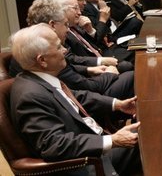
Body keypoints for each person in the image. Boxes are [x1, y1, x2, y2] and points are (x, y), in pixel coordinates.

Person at [9, 24, 142, 175]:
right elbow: (55, 144)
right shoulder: (30, 96)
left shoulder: (39, 78)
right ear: (42, 60)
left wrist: (117, 105)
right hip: (85, 164)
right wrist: (113, 140)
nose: (65, 50)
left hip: (92, 145)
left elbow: (77, 97)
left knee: (147, 132)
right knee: (149, 141)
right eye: (59, 47)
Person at [9, 0, 135, 101]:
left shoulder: (39, 43)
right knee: (130, 75)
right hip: (74, 101)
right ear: (52, 24)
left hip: (74, 92)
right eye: (65, 25)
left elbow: (71, 68)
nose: (68, 30)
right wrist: (109, 74)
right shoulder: (45, 50)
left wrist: (90, 69)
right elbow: (82, 87)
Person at [52, 0, 135, 66]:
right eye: (75, 8)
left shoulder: (76, 23)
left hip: (102, 51)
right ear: (61, 10)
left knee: (136, 49)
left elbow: (96, 40)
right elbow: (71, 59)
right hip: (95, 63)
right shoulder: (60, 31)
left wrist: (90, 30)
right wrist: (100, 61)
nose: (79, 12)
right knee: (127, 64)